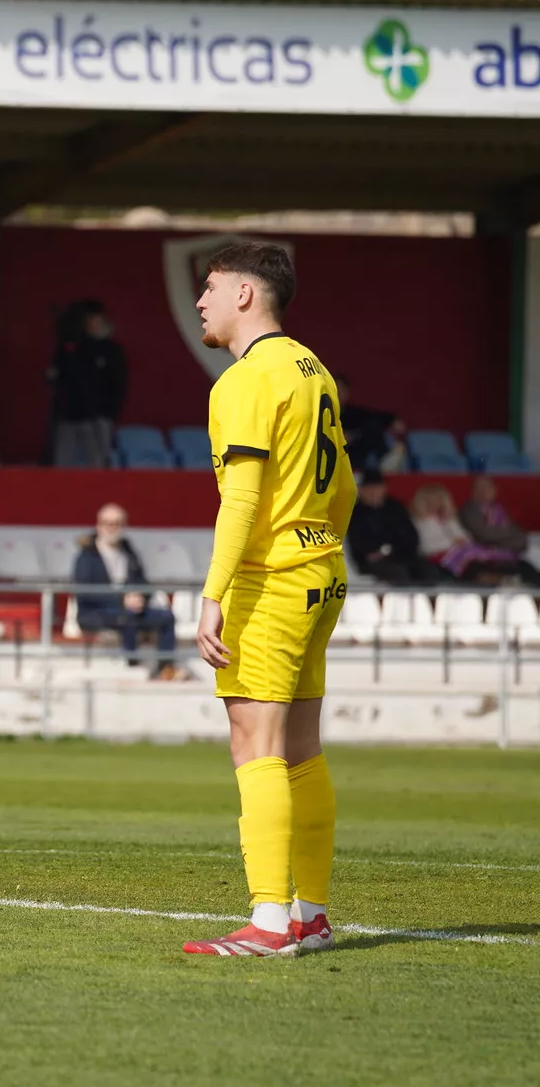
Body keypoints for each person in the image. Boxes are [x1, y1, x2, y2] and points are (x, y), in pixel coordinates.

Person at [187, 241, 352, 958]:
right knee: (302, 752)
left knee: (255, 746)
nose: (201, 300)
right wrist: (321, 544)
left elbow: (243, 496)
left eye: (212, 286)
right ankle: (309, 913)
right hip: (322, 570)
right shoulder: (314, 369)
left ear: (247, 295)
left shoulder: (245, 380)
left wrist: (212, 593)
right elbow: (343, 483)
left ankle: (268, 921)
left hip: (271, 576)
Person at [72, 503, 180, 677]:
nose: (111, 528)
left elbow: (144, 584)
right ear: (98, 525)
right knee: (126, 617)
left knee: (167, 617)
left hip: (130, 609)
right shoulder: (87, 556)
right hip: (96, 612)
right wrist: (121, 600)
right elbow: (85, 591)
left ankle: (166, 668)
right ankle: (133, 665)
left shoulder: (128, 552)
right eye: (107, 523)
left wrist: (139, 597)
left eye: (116, 523)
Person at [48, 300, 127, 468]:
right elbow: (56, 376)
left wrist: (108, 411)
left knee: (96, 465)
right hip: (68, 416)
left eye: (96, 319)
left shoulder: (111, 350)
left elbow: (118, 384)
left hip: (97, 417)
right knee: (63, 465)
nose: (93, 323)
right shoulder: (71, 347)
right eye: (89, 319)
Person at [346, 469, 438, 585]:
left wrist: (393, 549)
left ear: (384, 489)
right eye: (369, 489)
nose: (373, 492)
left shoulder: (396, 508)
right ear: (361, 491)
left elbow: (411, 536)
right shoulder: (355, 513)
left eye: (377, 488)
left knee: (428, 571)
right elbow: (357, 544)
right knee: (397, 573)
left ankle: (429, 602)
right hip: (372, 561)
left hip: (401, 555)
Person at [459, 475, 540, 584]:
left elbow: (515, 530)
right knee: (533, 552)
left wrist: (513, 535)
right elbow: (484, 535)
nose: (484, 492)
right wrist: (511, 535)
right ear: (474, 491)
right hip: (489, 549)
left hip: (511, 545)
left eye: (488, 488)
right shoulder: (470, 510)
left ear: (494, 490)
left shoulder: (498, 509)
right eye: (480, 488)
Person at [336, 374, 407, 474]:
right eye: (335, 390)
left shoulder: (353, 413)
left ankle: (384, 464)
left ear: (347, 393)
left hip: (355, 457)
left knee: (373, 427)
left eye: (341, 390)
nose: (338, 394)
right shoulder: (319, 414)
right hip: (330, 456)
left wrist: (394, 419)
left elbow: (377, 416)